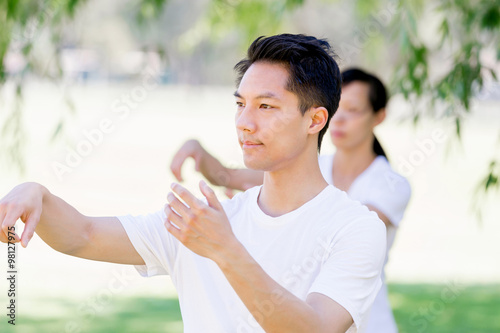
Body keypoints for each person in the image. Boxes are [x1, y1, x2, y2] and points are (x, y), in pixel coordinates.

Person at [0, 34, 386, 333]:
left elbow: (315, 328)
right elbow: (82, 235)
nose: (244, 122)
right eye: (240, 104)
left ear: (315, 120)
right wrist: (40, 197)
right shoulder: (204, 221)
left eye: (265, 106)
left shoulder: (354, 228)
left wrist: (225, 249)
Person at [170, 68, 411, 333]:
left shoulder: (390, 185)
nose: (339, 119)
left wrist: (276, 198)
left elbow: (345, 223)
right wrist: (199, 151)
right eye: (337, 108)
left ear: (379, 117)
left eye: (353, 110)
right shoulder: (307, 167)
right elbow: (227, 176)